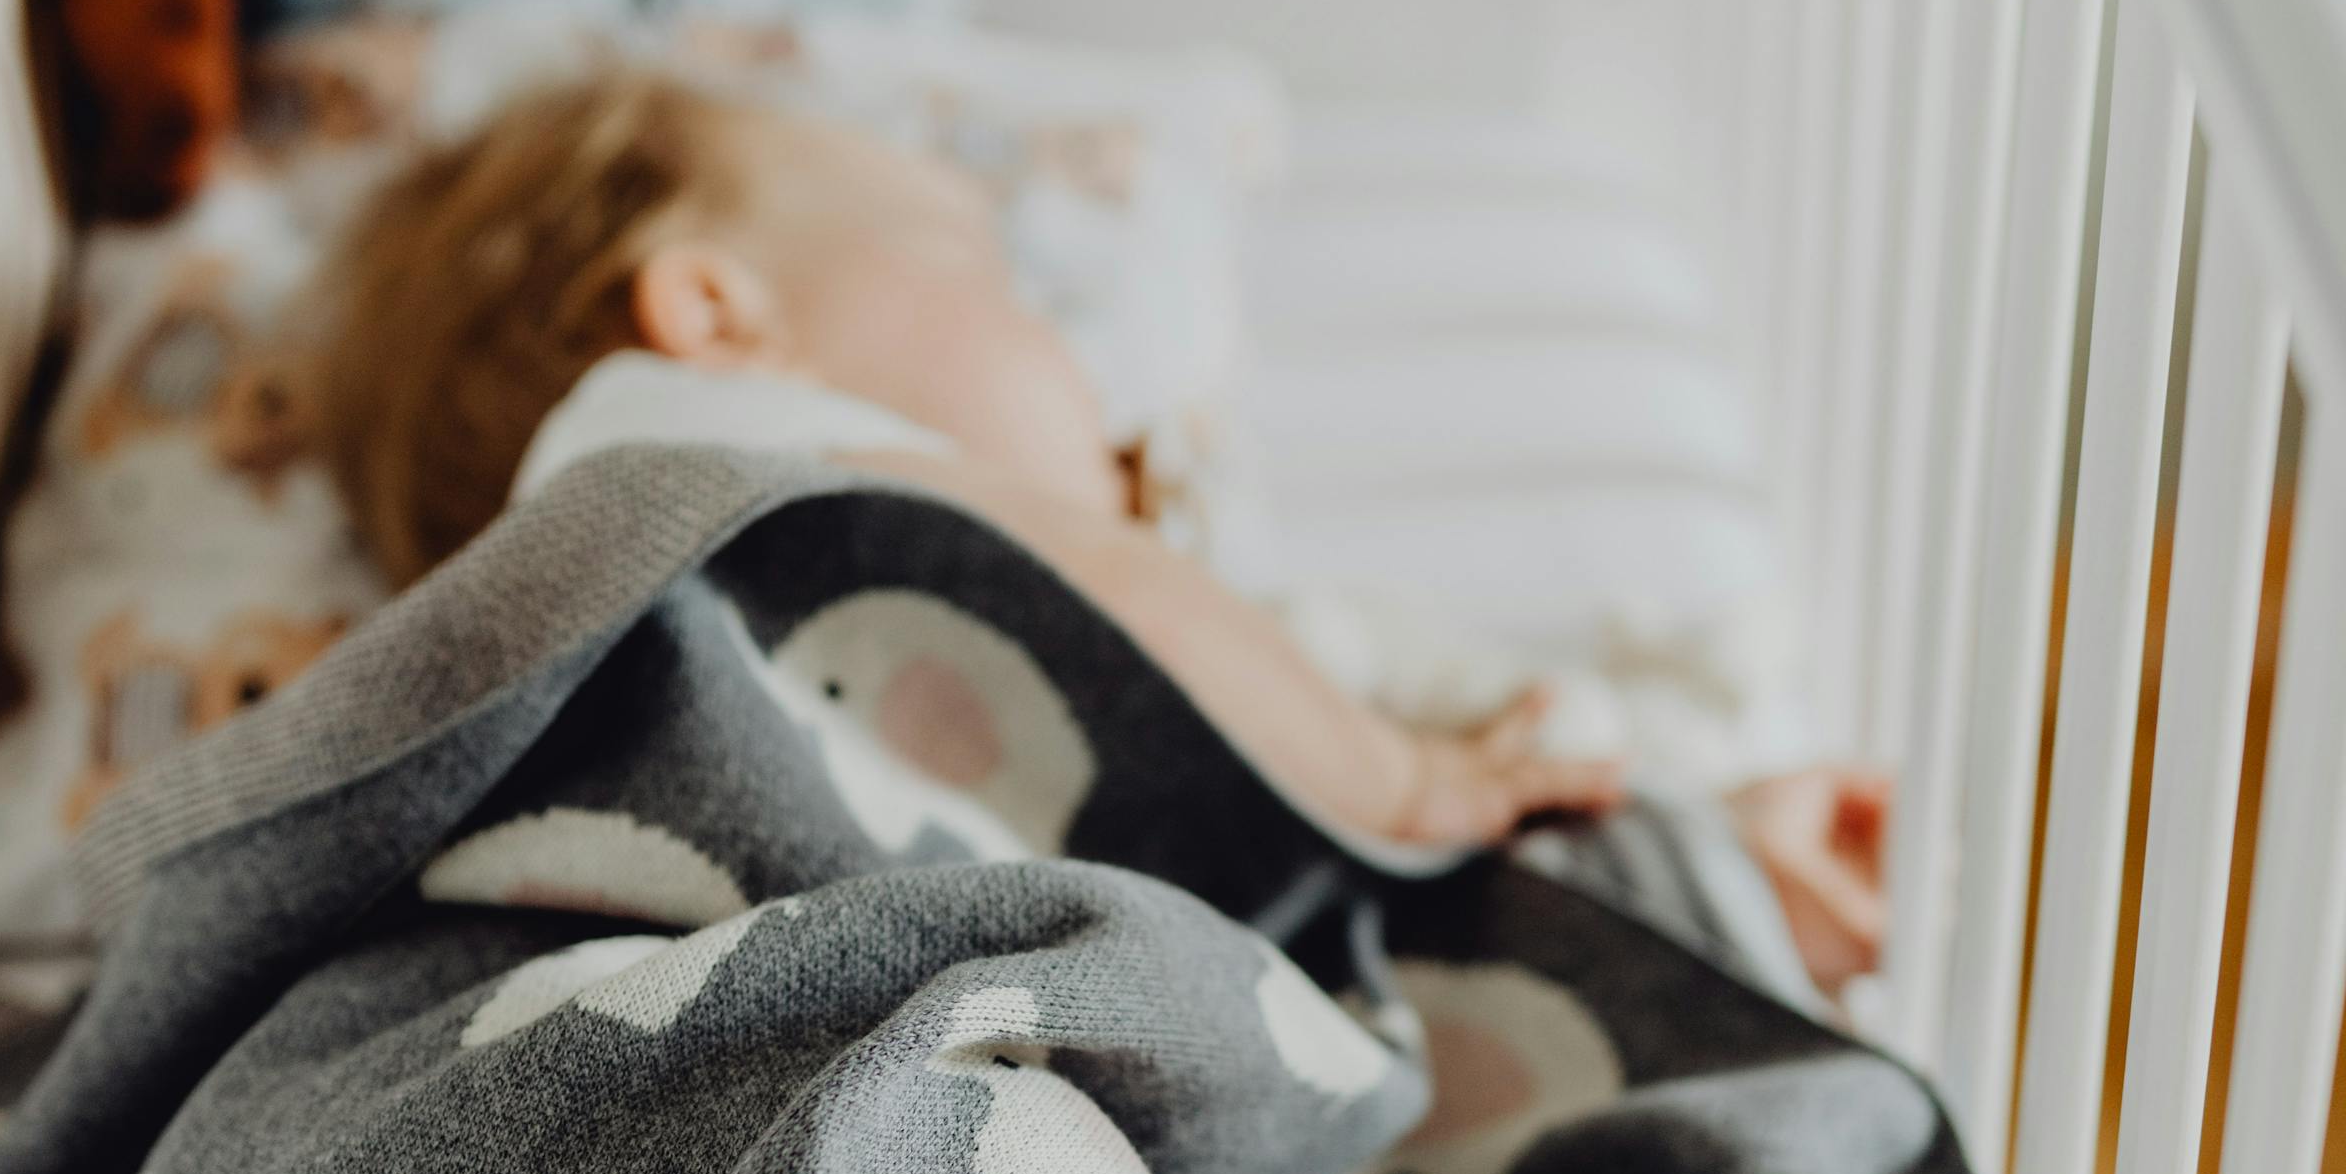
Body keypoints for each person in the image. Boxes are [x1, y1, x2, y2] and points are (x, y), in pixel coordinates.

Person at [320, 71, 1886, 993]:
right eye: (992, 274)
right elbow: (1250, 710)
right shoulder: (650, 441)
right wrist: (1410, 778)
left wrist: (1706, 854)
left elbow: (1399, 939)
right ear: (718, 311)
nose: (1080, 356)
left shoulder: (1192, 660)